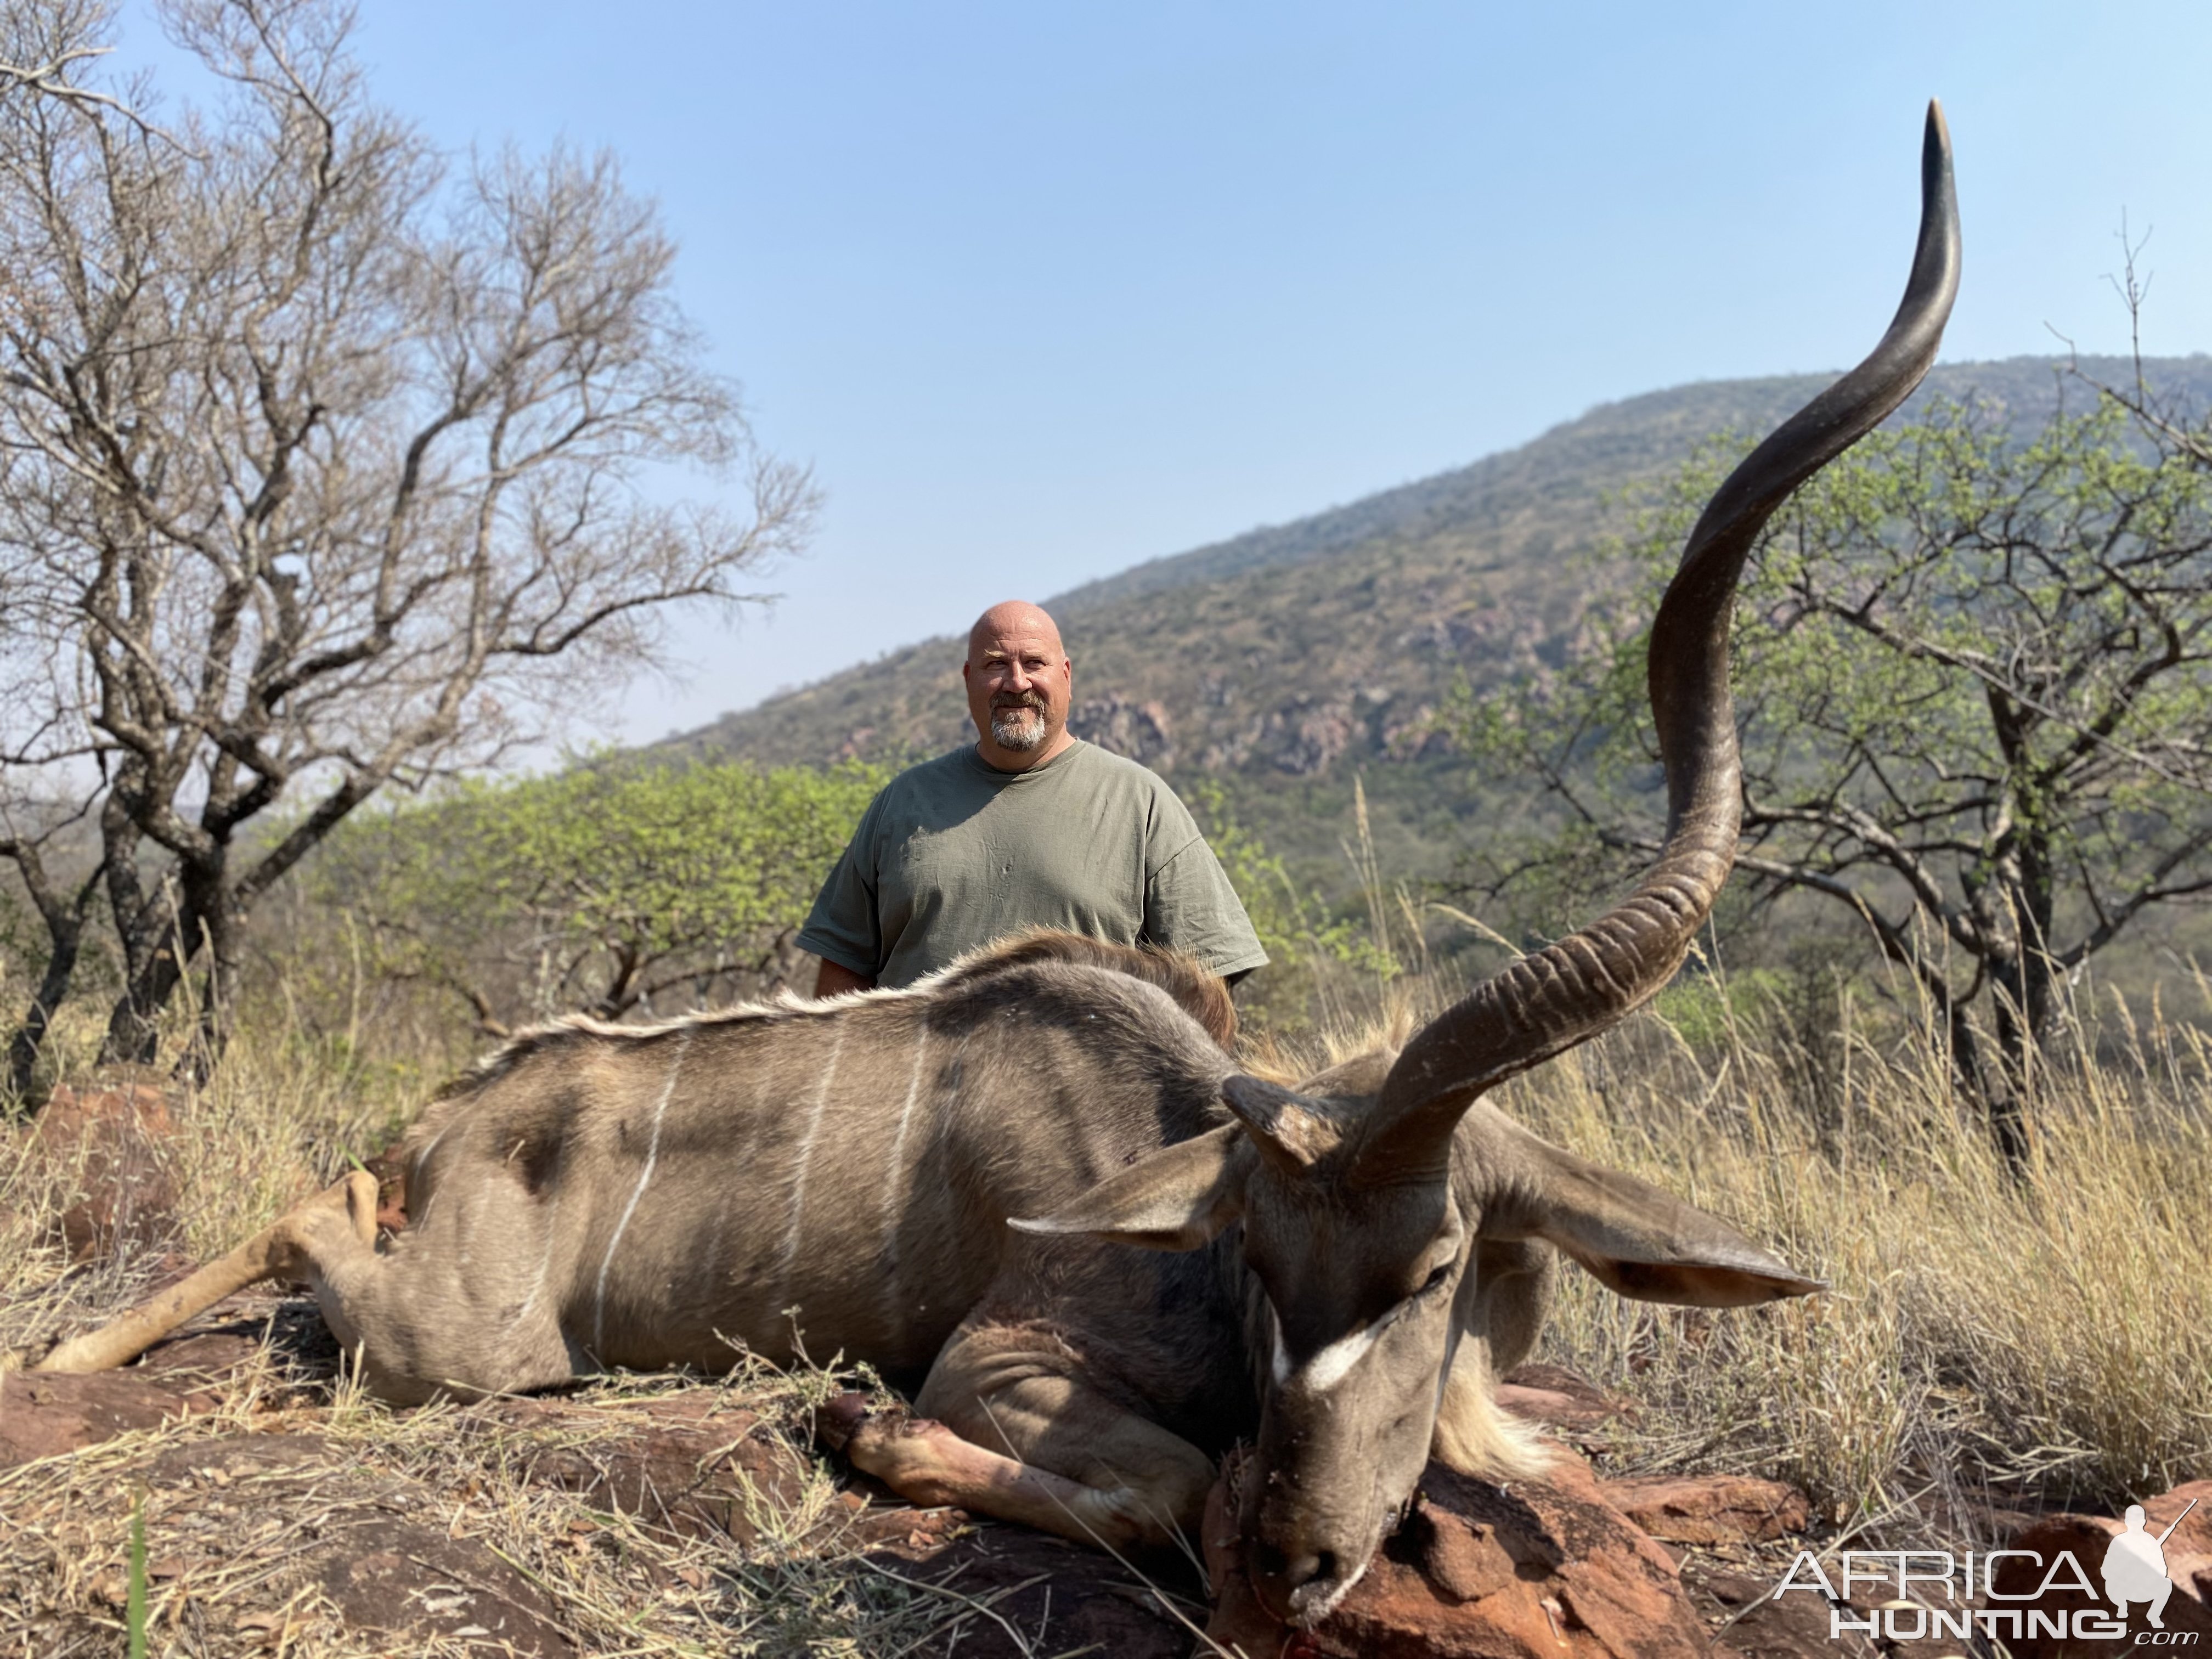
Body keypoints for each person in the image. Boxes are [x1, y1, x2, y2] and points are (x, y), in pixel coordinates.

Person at [800, 600, 1267, 995]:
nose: (1017, 682)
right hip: (920, 1096)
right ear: (968, 679)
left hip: (1089, 1100)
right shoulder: (902, 804)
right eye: (996, 665)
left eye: (1034, 664)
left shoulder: (1141, 803)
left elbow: (1208, 985)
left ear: (1066, 676)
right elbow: (842, 975)